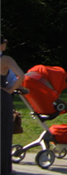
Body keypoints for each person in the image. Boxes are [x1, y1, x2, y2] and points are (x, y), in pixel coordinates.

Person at [1, 35, 25, 175]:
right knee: (3, 133)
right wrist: (10, 89)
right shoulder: (5, 59)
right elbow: (21, 75)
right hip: (2, 98)